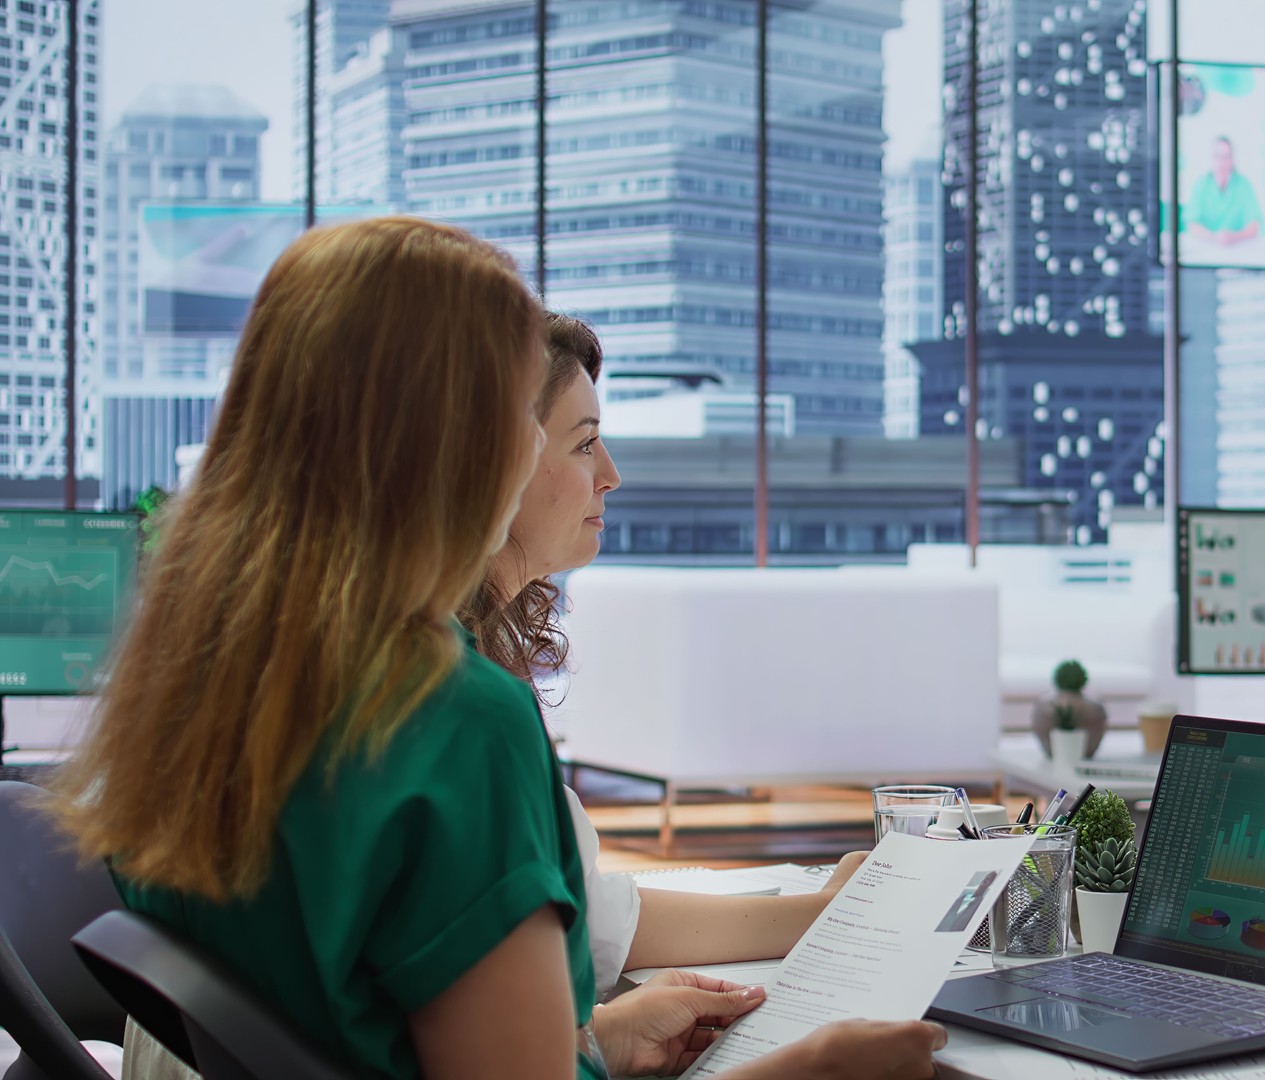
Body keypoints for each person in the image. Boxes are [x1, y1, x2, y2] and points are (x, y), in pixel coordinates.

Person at [50, 217, 945, 1080]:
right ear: (442, 443)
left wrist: (590, 1046)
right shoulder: (453, 719)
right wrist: (809, 1071)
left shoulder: (209, 681)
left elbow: (359, 1020)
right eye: (516, 411)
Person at [463, 311, 867, 993]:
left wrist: (822, 912)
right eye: (585, 444)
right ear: (501, 459)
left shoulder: (438, 670)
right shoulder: (468, 708)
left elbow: (579, 915)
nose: (612, 475)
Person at [1185, 136, 1265, 248]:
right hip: (1205, 250)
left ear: (1232, 160)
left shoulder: (1243, 185)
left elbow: (1254, 226)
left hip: (1238, 251)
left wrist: (1234, 237)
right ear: (1211, 158)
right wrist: (1214, 238)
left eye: (1225, 157)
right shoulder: (1200, 184)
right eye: (1217, 156)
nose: (1221, 162)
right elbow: (1192, 224)